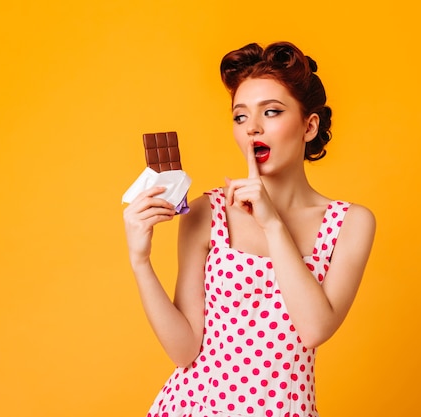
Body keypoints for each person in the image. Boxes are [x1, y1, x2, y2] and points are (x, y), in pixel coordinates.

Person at [123, 41, 376, 417]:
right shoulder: (208, 212)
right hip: (194, 407)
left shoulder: (350, 222)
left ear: (309, 126)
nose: (252, 127)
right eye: (240, 117)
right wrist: (140, 261)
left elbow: (314, 329)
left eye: (271, 112)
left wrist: (271, 223)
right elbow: (184, 350)